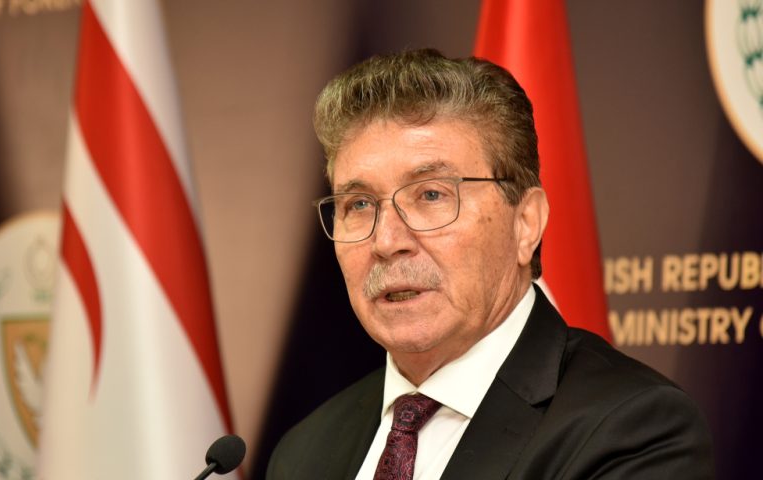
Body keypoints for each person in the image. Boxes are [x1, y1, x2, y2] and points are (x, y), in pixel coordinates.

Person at [266, 49, 714, 479]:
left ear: (526, 223)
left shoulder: (631, 430)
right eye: (360, 204)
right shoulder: (304, 453)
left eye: (432, 195)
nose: (387, 241)